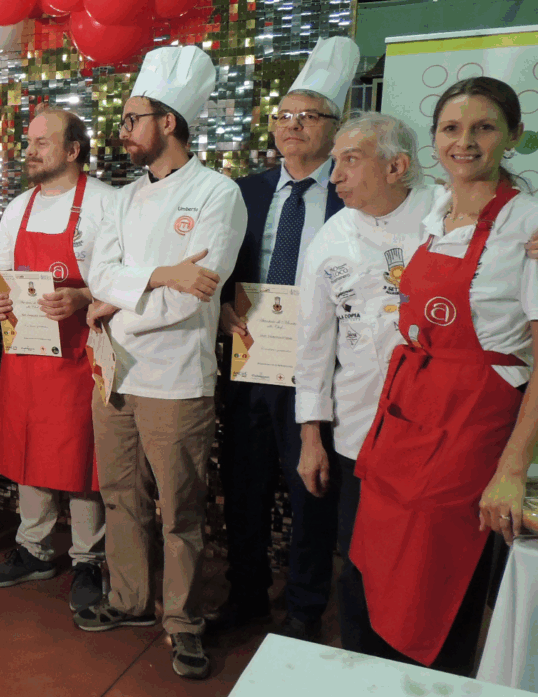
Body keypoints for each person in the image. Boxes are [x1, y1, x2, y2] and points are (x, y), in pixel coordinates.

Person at [346, 77, 538, 676]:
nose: (466, 142)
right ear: (434, 142)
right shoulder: (432, 210)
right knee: (373, 574)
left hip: (471, 432)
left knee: (433, 590)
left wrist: (511, 471)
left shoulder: (528, 226)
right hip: (405, 423)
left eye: (484, 127)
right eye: (452, 129)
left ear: (514, 136)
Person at [77, 45, 247, 681]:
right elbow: (101, 270)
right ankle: (127, 599)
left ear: (168, 122)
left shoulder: (218, 194)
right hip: (113, 373)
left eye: (131, 119)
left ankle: (183, 622)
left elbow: (193, 292)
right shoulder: (121, 199)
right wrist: (157, 275)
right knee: (121, 495)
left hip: (176, 378)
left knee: (179, 510)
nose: (122, 133)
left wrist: (116, 302)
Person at [211, 37, 357, 641]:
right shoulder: (242, 194)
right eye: (283, 116)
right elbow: (218, 271)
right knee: (243, 490)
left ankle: (302, 610)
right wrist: (223, 311)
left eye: (309, 115)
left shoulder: (352, 198)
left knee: (310, 496)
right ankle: (245, 595)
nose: (293, 126)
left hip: (322, 373)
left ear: (335, 127)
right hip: (249, 365)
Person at [292, 111, 435, 652]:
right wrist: (311, 438)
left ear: (397, 167)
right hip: (359, 433)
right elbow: (312, 349)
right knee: (361, 561)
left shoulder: (446, 218)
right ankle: (362, 664)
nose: (334, 178)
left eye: (350, 161)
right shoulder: (330, 241)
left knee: (425, 564)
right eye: (335, 164)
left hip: (435, 431)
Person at [0, 106, 116, 614]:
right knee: (29, 445)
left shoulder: (106, 204)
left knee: (81, 455)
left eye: (41, 141)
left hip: (81, 354)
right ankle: (34, 548)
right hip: (27, 353)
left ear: (73, 150)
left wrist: (82, 296)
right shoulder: (17, 209)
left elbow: (124, 279)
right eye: (29, 141)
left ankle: (87, 557)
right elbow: (4, 279)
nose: (29, 150)